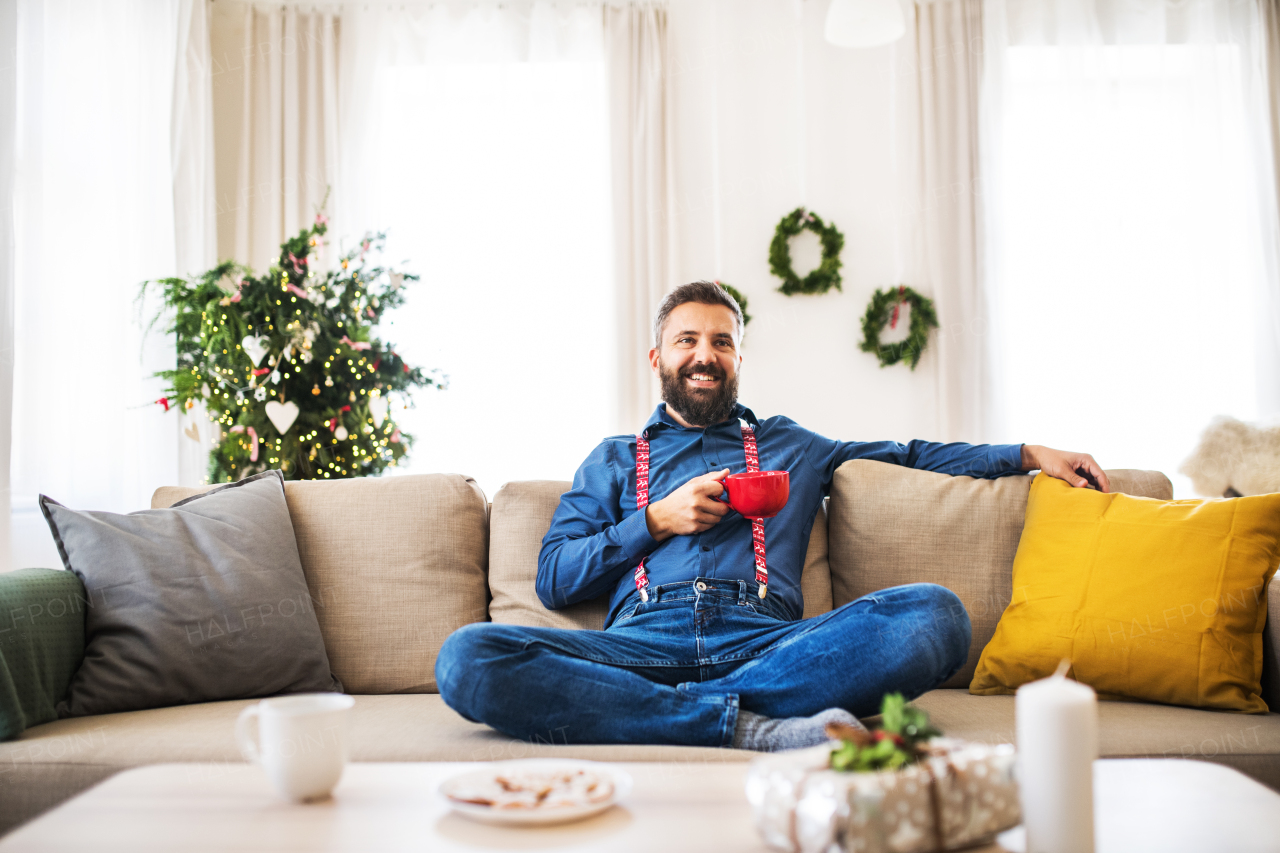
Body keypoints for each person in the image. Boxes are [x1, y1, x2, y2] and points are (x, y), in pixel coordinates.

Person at [435, 281, 1109, 751]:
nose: (705, 355)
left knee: (937, 616)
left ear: (738, 358)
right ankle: (745, 724)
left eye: (722, 342)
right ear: (657, 358)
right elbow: (553, 577)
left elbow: (908, 452)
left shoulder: (792, 443)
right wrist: (656, 520)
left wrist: (1026, 452)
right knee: (467, 657)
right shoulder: (613, 458)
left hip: (769, 642)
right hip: (638, 649)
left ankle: (698, 709)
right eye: (687, 340)